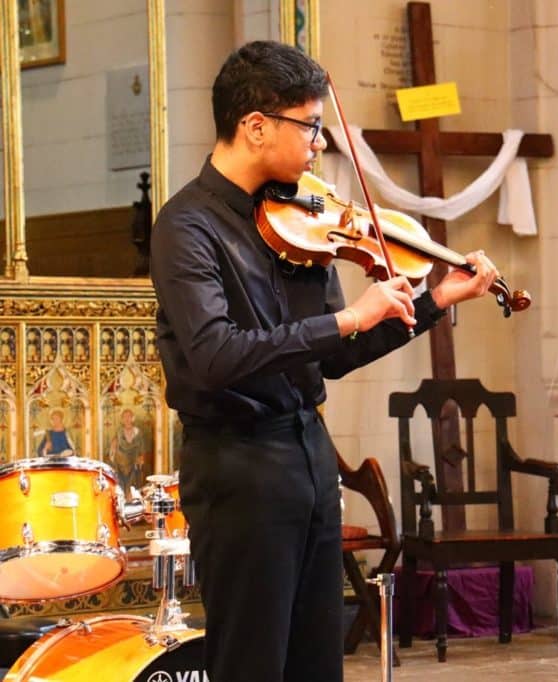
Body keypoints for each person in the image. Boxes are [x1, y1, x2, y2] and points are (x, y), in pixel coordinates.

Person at [149, 40, 498, 682]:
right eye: (310, 126)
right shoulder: (187, 227)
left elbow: (335, 355)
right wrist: (348, 316)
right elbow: (214, 356)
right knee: (253, 661)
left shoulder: (304, 216)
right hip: (238, 464)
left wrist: (437, 298)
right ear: (255, 126)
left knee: (319, 659)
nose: (319, 144)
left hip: (308, 450)